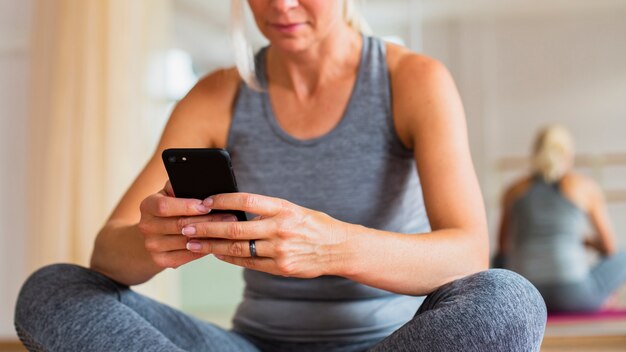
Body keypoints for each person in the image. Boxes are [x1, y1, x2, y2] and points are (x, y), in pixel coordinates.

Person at [15, 1, 546, 351]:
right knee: (51, 289)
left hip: (389, 341)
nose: (281, 4)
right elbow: (106, 256)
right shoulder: (214, 96)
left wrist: (333, 247)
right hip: (251, 344)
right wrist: (152, 239)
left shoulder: (414, 81)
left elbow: (469, 254)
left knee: (509, 299)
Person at [495, 124, 626, 312]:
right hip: (574, 295)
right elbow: (609, 247)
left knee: (497, 261)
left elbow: (503, 249)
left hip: (528, 295)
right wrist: (584, 242)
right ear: (567, 154)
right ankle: (599, 297)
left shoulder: (513, 190)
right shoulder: (584, 186)